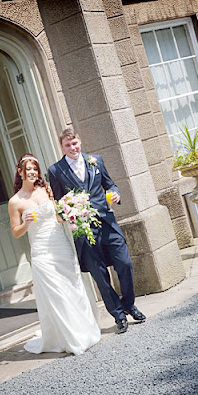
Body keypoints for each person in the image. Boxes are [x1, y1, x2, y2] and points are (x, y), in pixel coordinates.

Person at [48, 128, 146, 334]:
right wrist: (70, 212)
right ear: (62, 147)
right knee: (100, 276)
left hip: (108, 224)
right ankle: (119, 315)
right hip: (84, 231)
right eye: (68, 145)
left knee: (125, 263)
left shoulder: (96, 161)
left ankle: (129, 304)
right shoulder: (56, 171)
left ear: (80, 142)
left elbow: (110, 185)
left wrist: (115, 194)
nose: (73, 148)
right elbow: (59, 203)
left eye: (75, 143)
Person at [8, 153, 101, 355]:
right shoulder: (15, 202)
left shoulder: (46, 189)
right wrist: (26, 223)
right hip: (41, 251)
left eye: (35, 168)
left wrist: (72, 213)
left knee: (72, 286)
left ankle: (84, 330)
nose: (32, 172)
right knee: (56, 293)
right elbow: (16, 232)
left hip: (60, 244)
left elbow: (58, 217)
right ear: (20, 172)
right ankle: (71, 339)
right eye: (28, 169)